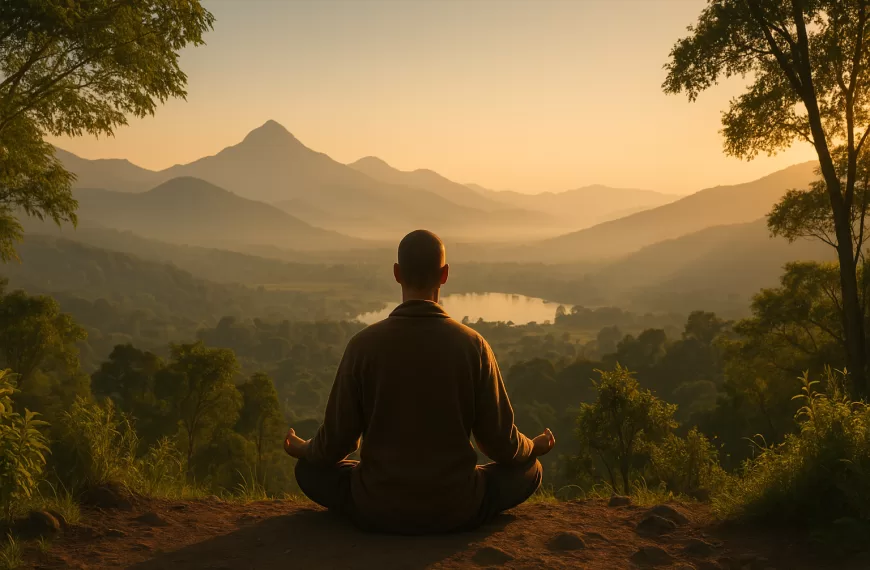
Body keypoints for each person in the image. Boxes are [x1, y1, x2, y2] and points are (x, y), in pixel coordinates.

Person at [283, 229, 555, 534]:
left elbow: (338, 442)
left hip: (377, 506)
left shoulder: (363, 345)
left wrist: (304, 449)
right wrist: (533, 446)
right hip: (457, 506)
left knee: (308, 471)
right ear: (445, 275)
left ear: (397, 274)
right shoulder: (473, 346)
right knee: (530, 469)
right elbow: (499, 444)